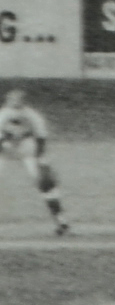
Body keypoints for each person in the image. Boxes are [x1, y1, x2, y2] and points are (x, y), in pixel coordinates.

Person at [0, 87, 70, 235]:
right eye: (12, 99)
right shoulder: (3, 114)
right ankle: (61, 220)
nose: (15, 102)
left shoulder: (32, 115)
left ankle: (61, 221)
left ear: (24, 102)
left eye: (18, 100)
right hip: (5, 151)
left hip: (28, 150)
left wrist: (41, 159)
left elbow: (41, 138)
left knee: (46, 183)